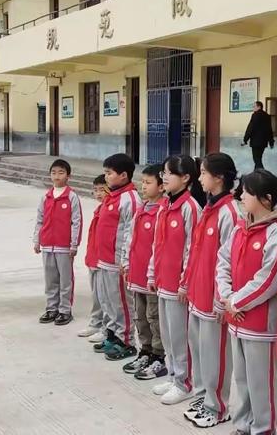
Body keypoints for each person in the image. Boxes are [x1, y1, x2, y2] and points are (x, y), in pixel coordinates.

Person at [217, 169, 277, 435]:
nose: (240, 196)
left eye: (246, 192)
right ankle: (242, 426)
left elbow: (269, 279)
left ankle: (262, 429)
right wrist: (226, 296)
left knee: (262, 383)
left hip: (261, 325)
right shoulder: (240, 227)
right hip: (236, 318)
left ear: (266, 199)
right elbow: (223, 260)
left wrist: (236, 302)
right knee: (243, 380)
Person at [180, 153, 242, 428]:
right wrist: (187, 282)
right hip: (197, 292)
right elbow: (195, 252)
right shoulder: (209, 207)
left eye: (203, 173)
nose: (200, 178)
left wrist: (222, 298)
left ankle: (219, 406)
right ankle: (205, 395)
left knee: (215, 353)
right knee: (201, 350)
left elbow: (229, 261)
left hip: (213, 299)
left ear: (218, 178)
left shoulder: (229, 212)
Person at [148, 154, 203, 405]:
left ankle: (185, 382)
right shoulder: (165, 206)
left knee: (181, 337)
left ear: (186, 178)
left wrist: (185, 282)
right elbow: (157, 245)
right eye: (164, 173)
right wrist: (152, 272)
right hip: (162, 281)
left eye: (169, 173)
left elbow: (193, 249)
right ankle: (173, 375)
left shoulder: (191, 207)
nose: (164, 177)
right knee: (169, 335)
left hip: (178, 286)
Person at [93, 154, 142, 361]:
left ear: (123, 175)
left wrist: (125, 261)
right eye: (105, 172)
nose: (106, 177)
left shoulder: (130, 199)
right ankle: (113, 334)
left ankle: (127, 340)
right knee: (108, 301)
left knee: (121, 303)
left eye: (109, 173)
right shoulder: (111, 196)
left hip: (117, 263)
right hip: (103, 259)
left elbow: (131, 233)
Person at [121, 164, 168, 380]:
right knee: (140, 315)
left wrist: (152, 273)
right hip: (136, 275)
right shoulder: (142, 209)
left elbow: (159, 247)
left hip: (152, 279)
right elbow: (130, 239)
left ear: (161, 186)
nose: (143, 186)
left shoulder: (163, 212)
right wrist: (126, 262)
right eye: (143, 182)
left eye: (148, 183)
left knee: (153, 316)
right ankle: (146, 350)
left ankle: (159, 356)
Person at [33, 159, 83, 326]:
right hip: (47, 244)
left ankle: (65, 310)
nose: (57, 176)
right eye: (53, 172)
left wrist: (73, 244)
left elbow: (77, 222)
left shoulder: (71, 197)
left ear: (68, 175)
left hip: (64, 247)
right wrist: (37, 240)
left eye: (61, 172)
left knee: (65, 280)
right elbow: (40, 220)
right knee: (50, 279)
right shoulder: (45, 197)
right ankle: (51, 308)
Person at [77, 175, 110, 342]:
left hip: (103, 260)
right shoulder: (99, 209)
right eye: (95, 190)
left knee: (105, 297)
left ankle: (105, 327)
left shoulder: (110, 209)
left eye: (102, 189)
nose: (98, 193)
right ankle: (95, 323)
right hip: (93, 259)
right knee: (96, 296)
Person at [242, 101, 274, 170]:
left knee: (256, 159)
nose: (253, 108)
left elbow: (250, 128)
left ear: (259, 107)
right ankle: (257, 175)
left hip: (255, 142)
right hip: (263, 142)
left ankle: (263, 174)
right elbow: (269, 130)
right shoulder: (267, 116)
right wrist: (271, 142)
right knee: (258, 158)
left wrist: (245, 140)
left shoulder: (255, 115)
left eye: (254, 106)